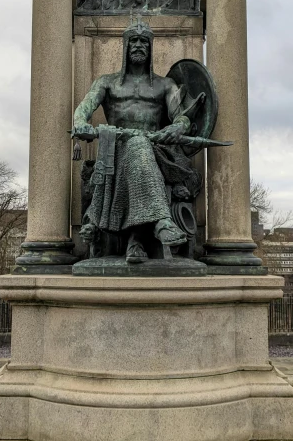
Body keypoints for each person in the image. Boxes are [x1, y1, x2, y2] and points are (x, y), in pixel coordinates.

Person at [73, 19, 200, 263]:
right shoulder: (106, 82)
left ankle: (137, 239)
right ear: (125, 46)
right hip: (116, 149)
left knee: (140, 145)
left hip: (155, 150)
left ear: (151, 48)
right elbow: (83, 108)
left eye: (144, 41)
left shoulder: (166, 85)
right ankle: (157, 225)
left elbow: (181, 117)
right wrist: (81, 123)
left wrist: (178, 127)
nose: (139, 46)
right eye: (134, 41)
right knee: (135, 145)